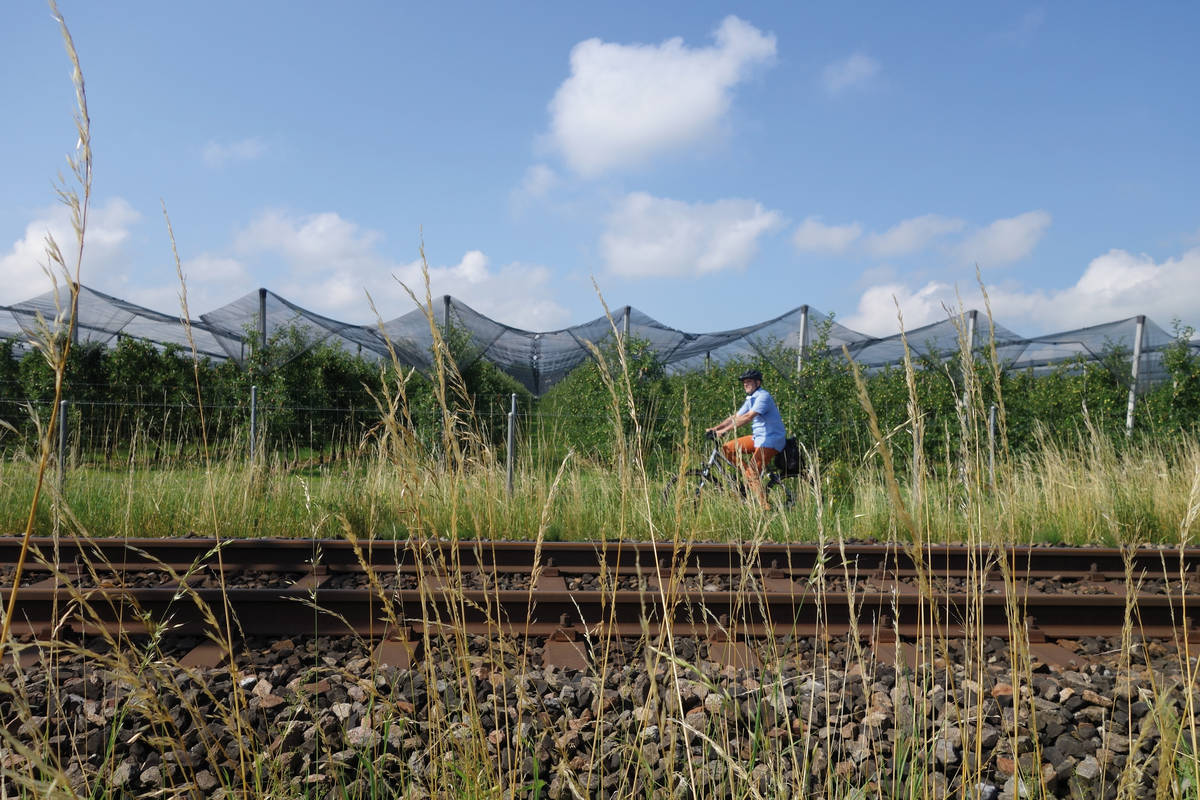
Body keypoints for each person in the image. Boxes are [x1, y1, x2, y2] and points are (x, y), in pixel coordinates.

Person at [706, 369, 787, 510]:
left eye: (748, 382)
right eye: (744, 383)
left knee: (753, 471)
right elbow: (735, 417)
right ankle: (748, 477)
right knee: (727, 448)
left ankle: (765, 507)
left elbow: (748, 417)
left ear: (758, 382)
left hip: (771, 439)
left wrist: (725, 431)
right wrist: (716, 429)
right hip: (758, 438)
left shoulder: (763, 397)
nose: (745, 385)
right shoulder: (751, 398)